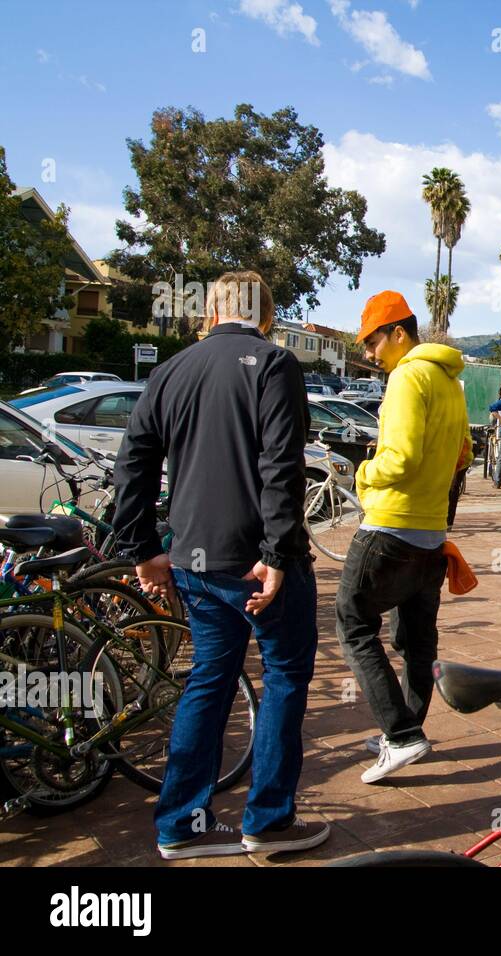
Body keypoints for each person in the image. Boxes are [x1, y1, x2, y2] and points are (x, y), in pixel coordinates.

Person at [113, 270, 327, 860]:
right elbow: (280, 465)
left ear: (210, 312)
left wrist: (142, 548)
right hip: (260, 563)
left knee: (209, 680)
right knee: (283, 678)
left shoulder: (170, 370)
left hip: (195, 558)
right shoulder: (274, 364)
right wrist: (280, 553)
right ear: (265, 315)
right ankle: (268, 820)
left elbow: (132, 464)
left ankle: (181, 824)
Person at [336, 290, 471, 783]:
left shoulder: (407, 376)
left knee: (352, 624)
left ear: (398, 333)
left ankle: (401, 735)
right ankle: (410, 730)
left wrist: (364, 473)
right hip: (431, 533)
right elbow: (464, 454)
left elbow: (401, 458)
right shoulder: (450, 382)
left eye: (373, 343)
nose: (370, 355)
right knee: (417, 641)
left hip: (390, 526)